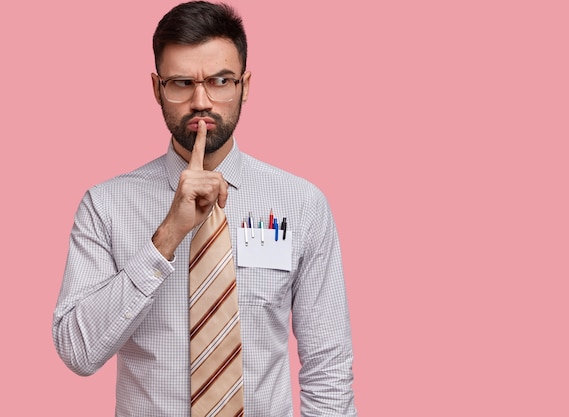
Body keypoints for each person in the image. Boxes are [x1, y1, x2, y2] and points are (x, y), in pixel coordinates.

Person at [52, 1, 357, 416]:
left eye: (219, 80)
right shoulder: (105, 206)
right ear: (156, 88)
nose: (201, 101)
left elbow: (328, 364)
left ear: (244, 85)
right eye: (181, 83)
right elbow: (77, 351)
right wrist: (165, 239)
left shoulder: (302, 204)